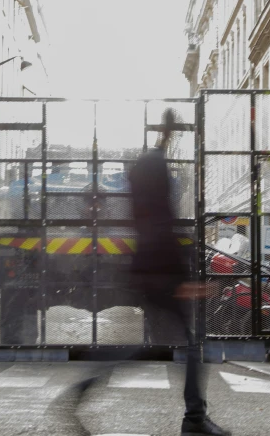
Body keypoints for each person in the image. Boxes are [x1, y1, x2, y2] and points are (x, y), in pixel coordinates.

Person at [56, 109, 231, 436]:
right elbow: (160, 222)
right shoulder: (157, 167)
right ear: (172, 131)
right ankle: (194, 419)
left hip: (148, 266)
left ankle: (84, 387)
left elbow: (149, 220)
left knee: (145, 346)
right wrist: (182, 277)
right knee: (191, 345)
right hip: (160, 267)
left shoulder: (142, 166)